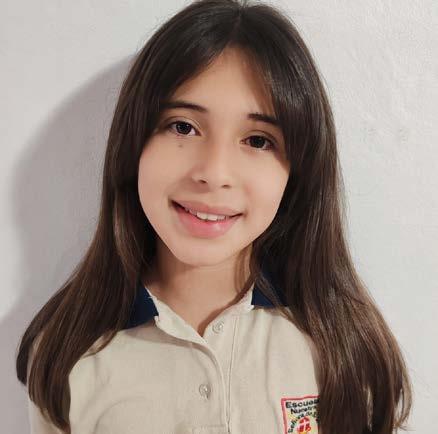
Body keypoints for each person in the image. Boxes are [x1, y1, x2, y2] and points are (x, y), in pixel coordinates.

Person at [15, 1, 413, 433]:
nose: (214, 173)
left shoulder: (343, 343)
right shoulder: (69, 354)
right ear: (133, 143)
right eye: (183, 127)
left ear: (298, 172)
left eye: (257, 140)